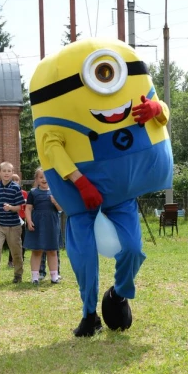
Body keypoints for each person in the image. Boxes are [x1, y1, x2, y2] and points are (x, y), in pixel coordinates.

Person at [30, 38, 174, 336]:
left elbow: (162, 111)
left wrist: (156, 109)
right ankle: (89, 314)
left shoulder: (135, 85)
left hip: (120, 194)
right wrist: (79, 182)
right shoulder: (57, 99)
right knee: (84, 259)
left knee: (133, 249)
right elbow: (51, 145)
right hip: (80, 196)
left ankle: (118, 293)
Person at [0, 162, 25, 286]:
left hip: (13, 225)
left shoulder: (15, 187)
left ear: (12, 173)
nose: (6, 173)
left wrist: (11, 208)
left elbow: (19, 207)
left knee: (16, 251)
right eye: (4, 171)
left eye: (9, 171)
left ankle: (18, 274)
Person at [24, 168, 62, 285]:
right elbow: (28, 208)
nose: (44, 179)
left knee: (52, 251)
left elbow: (61, 209)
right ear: (37, 179)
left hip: (52, 224)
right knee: (36, 251)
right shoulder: (33, 193)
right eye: (41, 177)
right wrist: (29, 221)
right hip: (37, 224)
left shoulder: (56, 192)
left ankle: (54, 276)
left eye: (46, 177)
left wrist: (55, 202)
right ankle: (35, 277)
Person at [8, 174, 28, 268]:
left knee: (22, 240)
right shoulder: (9, 193)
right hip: (13, 219)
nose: (16, 182)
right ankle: (11, 260)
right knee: (13, 241)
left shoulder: (24, 193)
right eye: (13, 180)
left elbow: (27, 207)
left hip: (22, 220)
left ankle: (22, 258)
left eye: (17, 180)